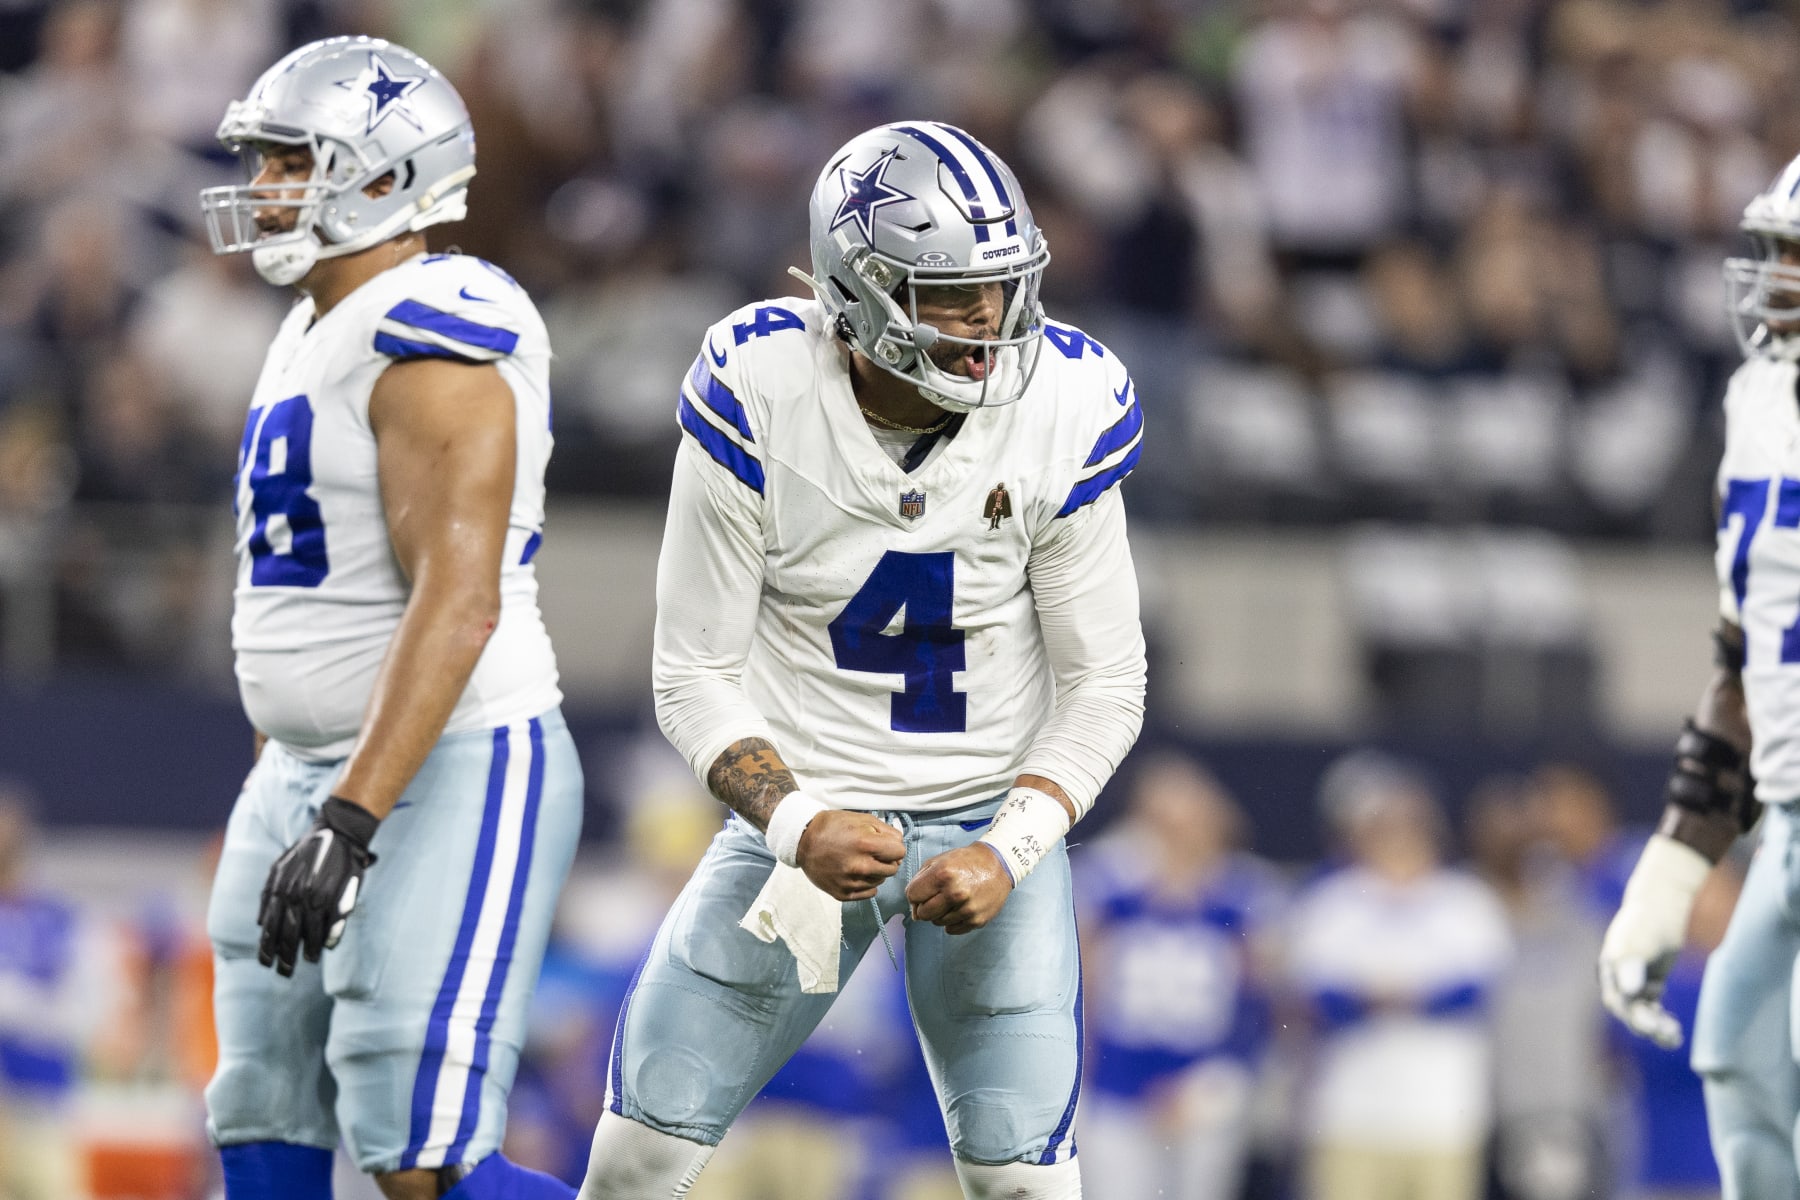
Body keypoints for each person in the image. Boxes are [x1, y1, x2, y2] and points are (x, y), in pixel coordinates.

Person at [576, 121, 1147, 1200]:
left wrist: (1009, 849)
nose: (991, 321)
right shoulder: (760, 387)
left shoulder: (1064, 402)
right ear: (859, 290)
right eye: (953, 294)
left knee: (1025, 1185)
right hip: (809, 815)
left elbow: (1107, 683)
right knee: (636, 1159)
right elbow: (691, 671)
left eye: (1003, 286)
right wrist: (797, 823)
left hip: (991, 818)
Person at [197, 36, 582, 1200]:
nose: (265, 188)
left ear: (384, 176)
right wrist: (290, 776)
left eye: (292, 162)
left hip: (448, 764)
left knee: (422, 1160)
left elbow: (457, 602)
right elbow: (305, 600)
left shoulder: (437, 322)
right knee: (261, 1109)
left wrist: (349, 817)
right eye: (264, 163)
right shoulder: (312, 323)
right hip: (307, 772)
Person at [1599, 152, 1800, 1198]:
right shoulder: (1759, 403)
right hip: (1789, 819)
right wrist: (1669, 880)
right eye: (1778, 252)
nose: (1778, 280)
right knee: (1738, 1056)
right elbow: (1741, 663)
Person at [1287, 752, 1513, 1200]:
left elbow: (1476, 994)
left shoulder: (1466, 901)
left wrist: (1393, 998)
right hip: (1350, 1114)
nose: (1397, 837)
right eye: (1385, 826)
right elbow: (1318, 1000)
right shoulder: (1332, 903)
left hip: (1442, 1117)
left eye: (1409, 825)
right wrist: (1391, 999)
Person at [1075, 754, 1287, 1200]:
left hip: (1205, 1076)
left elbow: (1262, 996)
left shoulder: (1245, 892)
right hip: (1117, 1078)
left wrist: (1222, 1075)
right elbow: (1082, 986)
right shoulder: (1108, 884)